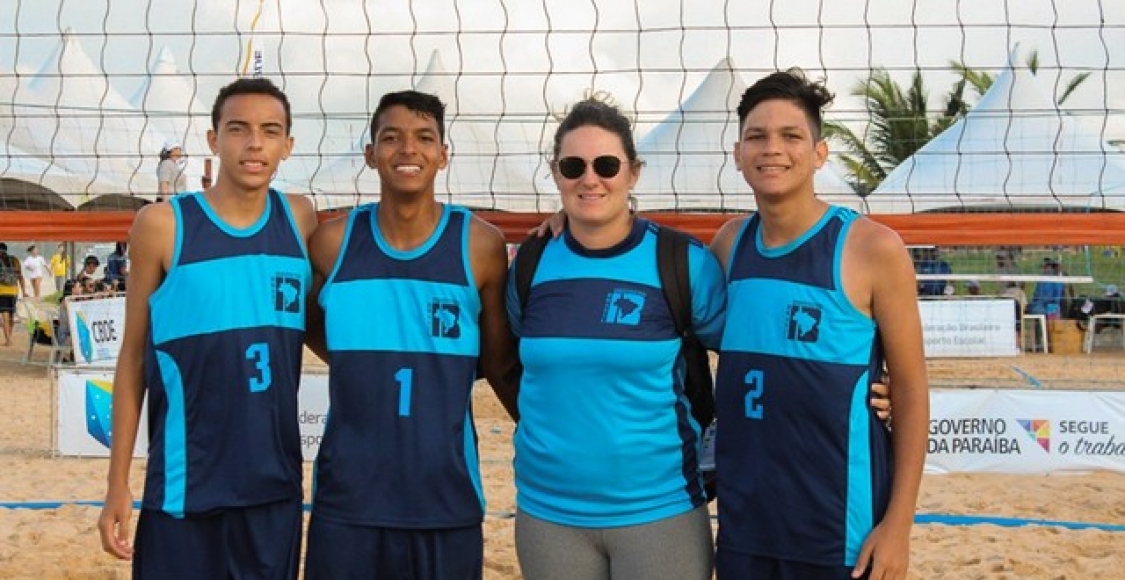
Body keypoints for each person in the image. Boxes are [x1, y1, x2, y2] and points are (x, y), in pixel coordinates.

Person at [710, 69, 929, 580]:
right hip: (745, 528)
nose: (772, 148)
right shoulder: (728, 246)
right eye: (757, 136)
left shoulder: (872, 248)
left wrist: (899, 526)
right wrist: (568, 222)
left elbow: (912, 391)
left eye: (791, 135)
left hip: (840, 534)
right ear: (738, 154)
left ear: (819, 153)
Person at [96, 77, 318, 579]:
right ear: (213, 140)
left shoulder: (300, 218)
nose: (254, 143)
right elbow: (132, 359)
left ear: (287, 145)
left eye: (270, 130)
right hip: (184, 490)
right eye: (238, 129)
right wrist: (117, 483)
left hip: (274, 490)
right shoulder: (161, 225)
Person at [301, 90, 519, 580]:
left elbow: (501, 365)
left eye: (424, 137)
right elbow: (310, 325)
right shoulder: (332, 243)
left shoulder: (480, 245)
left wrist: (547, 438)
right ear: (369, 153)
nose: (408, 149)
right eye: (391, 137)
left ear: (443, 154)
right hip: (348, 500)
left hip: (445, 500)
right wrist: (360, 358)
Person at [507, 97, 726, 580]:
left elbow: (748, 353)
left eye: (606, 165)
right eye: (573, 166)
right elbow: (517, 365)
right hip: (548, 513)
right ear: (556, 173)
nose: (590, 179)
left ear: (633, 172)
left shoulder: (682, 262)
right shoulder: (531, 262)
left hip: (660, 511)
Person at [0, 243, 27, 346]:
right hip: (14, 292)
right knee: (11, 316)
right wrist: (24, 291)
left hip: (2, 292)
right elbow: (20, 276)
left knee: (5, 317)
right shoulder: (14, 260)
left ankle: (8, 340)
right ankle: (9, 338)